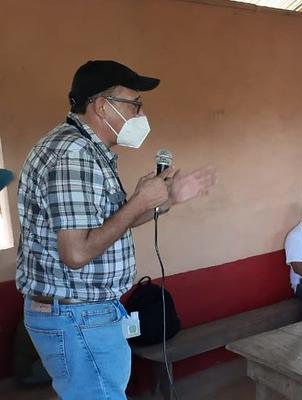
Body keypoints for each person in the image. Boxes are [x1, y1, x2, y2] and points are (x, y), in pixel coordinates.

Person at [15, 60, 217, 399]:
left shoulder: (89, 152)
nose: (141, 114)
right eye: (134, 104)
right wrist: (139, 202)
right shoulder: (72, 155)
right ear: (101, 106)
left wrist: (165, 200)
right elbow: (76, 252)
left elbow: (114, 224)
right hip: (77, 315)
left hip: (85, 313)